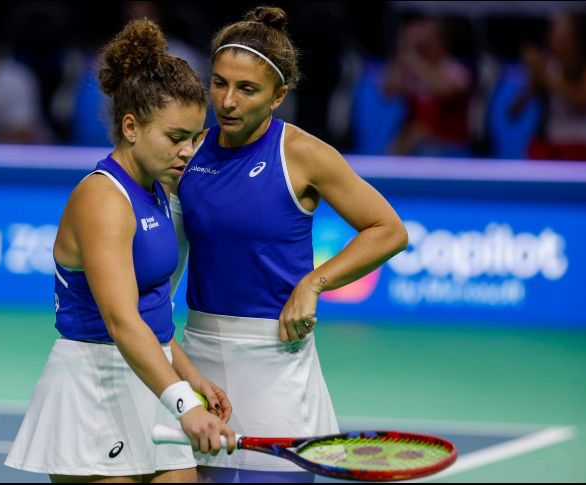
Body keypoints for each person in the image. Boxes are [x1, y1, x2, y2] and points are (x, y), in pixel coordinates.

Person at [171, 6, 408, 483]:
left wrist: (314, 283)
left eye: (247, 89)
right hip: (199, 357)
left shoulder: (302, 154)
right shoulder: (190, 150)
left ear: (278, 95)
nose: (228, 101)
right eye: (219, 83)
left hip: (275, 361)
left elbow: (389, 229)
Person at [4, 18, 236, 483]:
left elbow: (153, 314)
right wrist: (184, 402)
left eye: (194, 137)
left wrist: (192, 377)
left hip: (151, 377)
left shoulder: (156, 192)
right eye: (175, 137)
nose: (188, 151)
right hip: (94, 388)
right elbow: (121, 320)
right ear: (131, 127)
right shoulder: (103, 198)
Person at [382, 17, 473, 157]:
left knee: (420, 134)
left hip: (449, 152)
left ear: (441, 42)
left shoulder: (456, 70)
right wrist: (405, 47)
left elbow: (443, 90)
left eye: (429, 40)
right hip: (415, 150)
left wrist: (413, 58)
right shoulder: (413, 72)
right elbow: (388, 90)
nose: (424, 45)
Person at [511, 12, 586, 161]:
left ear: (576, 38)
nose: (557, 40)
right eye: (554, 34)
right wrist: (534, 79)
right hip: (553, 145)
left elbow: (581, 101)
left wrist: (547, 78)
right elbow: (514, 112)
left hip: (581, 145)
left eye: (564, 35)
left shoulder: (581, 67)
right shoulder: (548, 66)